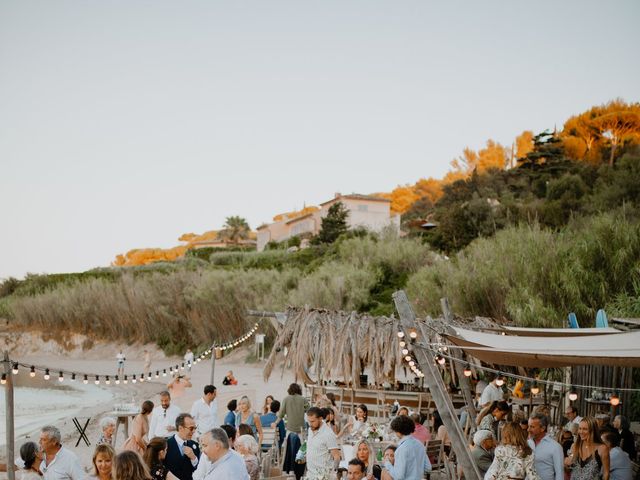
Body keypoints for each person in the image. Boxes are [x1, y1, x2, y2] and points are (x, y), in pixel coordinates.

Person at [382, 414, 431, 480]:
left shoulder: (401, 449)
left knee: (384, 471)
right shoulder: (420, 444)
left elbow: (399, 477)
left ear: (398, 431)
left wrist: (387, 464)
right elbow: (428, 468)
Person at [305, 407, 341, 478]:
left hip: (323, 476)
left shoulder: (328, 434)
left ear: (320, 419)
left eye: (312, 421)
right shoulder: (310, 429)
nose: (310, 424)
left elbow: (337, 457)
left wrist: (333, 474)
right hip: (310, 473)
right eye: (309, 421)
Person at [527, 413, 564, 480]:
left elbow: (560, 474)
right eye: (528, 426)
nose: (528, 430)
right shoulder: (526, 444)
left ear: (543, 428)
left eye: (532, 427)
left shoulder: (555, 447)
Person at [164, 414, 200, 480]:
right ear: (180, 428)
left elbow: (199, 470)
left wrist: (194, 458)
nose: (194, 431)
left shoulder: (194, 445)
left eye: (195, 428)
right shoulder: (166, 445)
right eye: (191, 428)